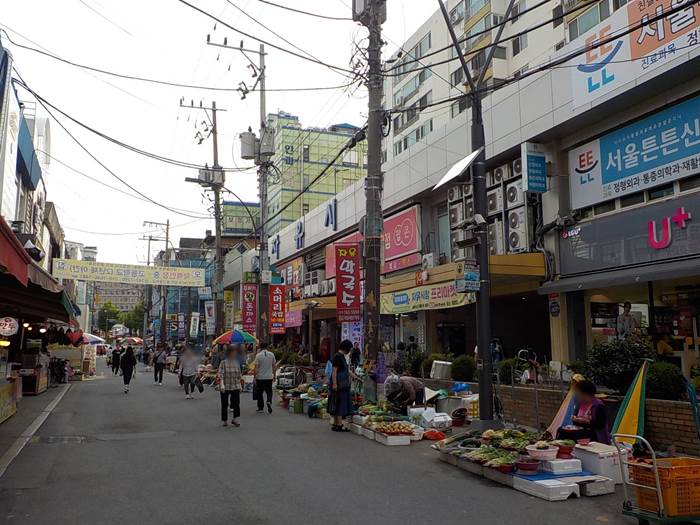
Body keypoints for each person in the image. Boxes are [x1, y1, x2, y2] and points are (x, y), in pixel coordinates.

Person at [557, 380, 611, 444]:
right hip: (582, 430)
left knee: (576, 435)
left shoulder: (598, 406)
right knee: (561, 430)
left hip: (595, 434)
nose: (576, 396)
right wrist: (576, 420)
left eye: (578, 394)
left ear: (586, 394)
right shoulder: (580, 404)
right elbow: (576, 423)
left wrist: (586, 421)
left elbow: (600, 425)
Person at [328, 340, 353, 432]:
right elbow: (334, 371)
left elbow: (346, 370)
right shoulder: (338, 357)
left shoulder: (341, 356)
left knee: (336, 402)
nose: (349, 351)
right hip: (339, 384)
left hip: (340, 384)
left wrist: (355, 377)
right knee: (339, 403)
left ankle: (335, 424)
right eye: (349, 349)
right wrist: (335, 384)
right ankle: (339, 425)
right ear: (346, 348)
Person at [218, 345, 244, 427]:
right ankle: (225, 420)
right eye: (233, 352)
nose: (235, 354)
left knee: (236, 403)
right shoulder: (223, 363)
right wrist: (221, 384)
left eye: (235, 352)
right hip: (225, 386)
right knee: (224, 404)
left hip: (235, 385)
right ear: (229, 353)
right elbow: (220, 374)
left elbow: (239, 375)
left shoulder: (236, 363)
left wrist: (240, 386)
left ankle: (235, 419)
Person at [254, 342, 276, 414]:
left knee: (260, 392)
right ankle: (269, 400)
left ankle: (261, 408)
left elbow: (256, 368)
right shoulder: (271, 354)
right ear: (267, 346)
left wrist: (254, 377)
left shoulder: (258, 356)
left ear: (260, 347)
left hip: (260, 377)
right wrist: (274, 375)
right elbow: (274, 366)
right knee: (269, 391)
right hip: (269, 376)